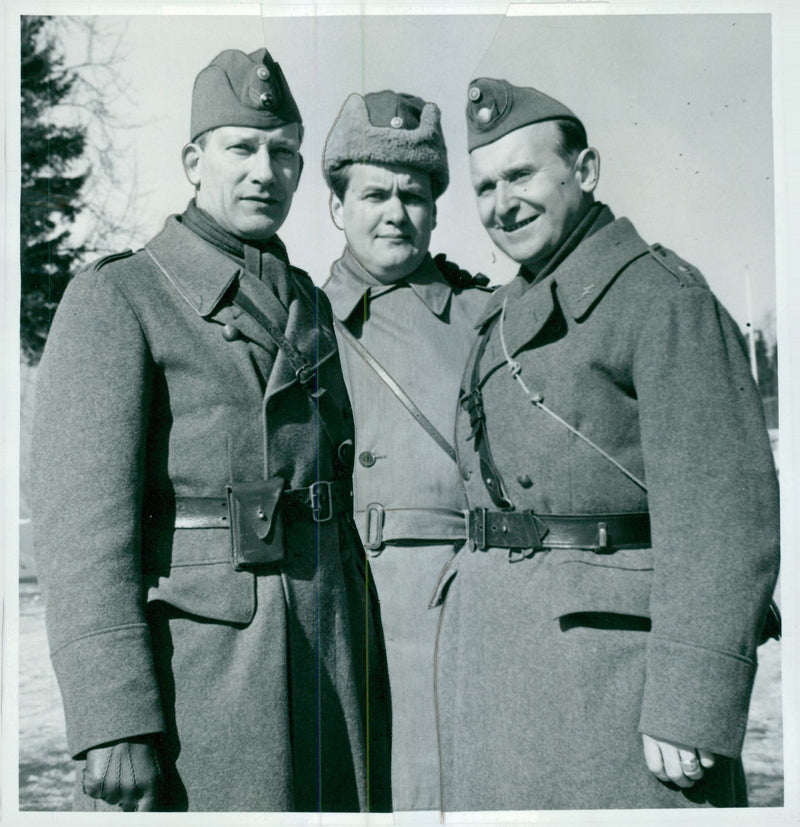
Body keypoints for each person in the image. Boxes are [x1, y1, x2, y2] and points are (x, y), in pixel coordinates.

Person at [32, 47, 390, 813]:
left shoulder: (309, 304)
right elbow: (81, 532)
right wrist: (112, 716)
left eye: (283, 153)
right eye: (241, 148)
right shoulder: (122, 296)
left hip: (326, 655)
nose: (265, 171)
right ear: (195, 162)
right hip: (202, 676)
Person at [433, 77, 780, 810]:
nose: (502, 204)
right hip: (501, 675)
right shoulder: (501, 314)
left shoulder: (662, 300)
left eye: (522, 175)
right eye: (485, 186)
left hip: (615, 686)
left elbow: (724, 516)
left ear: (585, 170)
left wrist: (691, 702)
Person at [321, 90, 491, 811]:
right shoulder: (302, 322)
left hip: (459, 608)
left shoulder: (487, 319)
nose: (396, 212)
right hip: (343, 611)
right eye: (374, 194)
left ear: (435, 210)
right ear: (337, 207)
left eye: (413, 196)